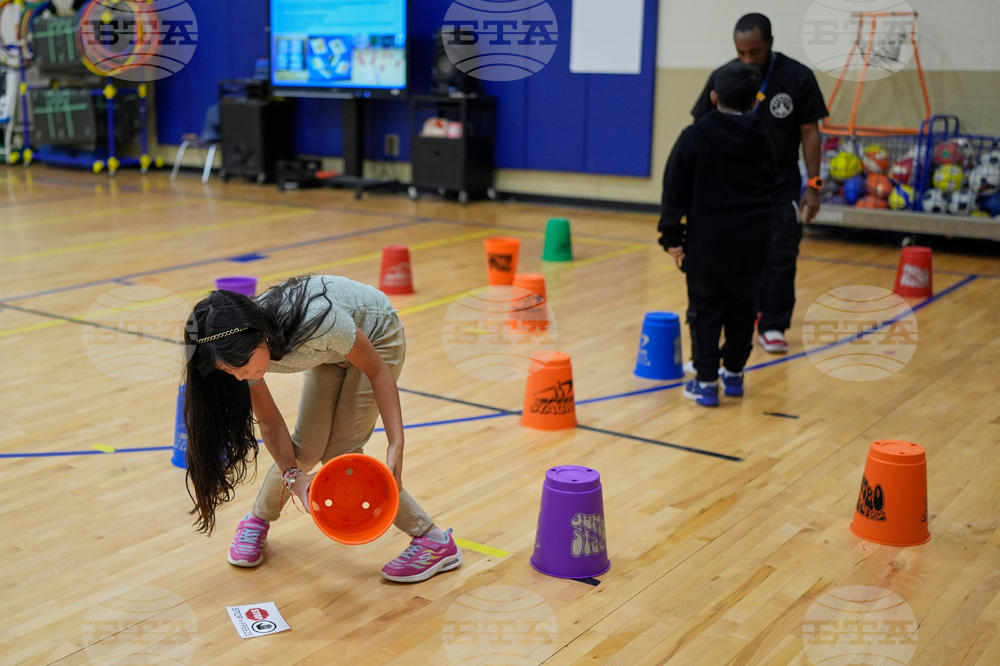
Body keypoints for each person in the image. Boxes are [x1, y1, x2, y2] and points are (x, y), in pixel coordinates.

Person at [182, 275, 461, 583]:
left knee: (341, 450)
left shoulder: (318, 321)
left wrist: (396, 443)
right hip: (331, 352)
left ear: (261, 337)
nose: (239, 376)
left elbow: (378, 371)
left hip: (376, 335)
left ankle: (433, 539)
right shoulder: (238, 353)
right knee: (305, 449)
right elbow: (270, 421)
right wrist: (293, 477)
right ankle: (258, 519)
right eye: (227, 369)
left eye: (242, 366)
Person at [692, 13, 829, 354]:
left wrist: (813, 186)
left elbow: (810, 133)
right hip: (732, 187)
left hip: (779, 183)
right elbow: (700, 130)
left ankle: (773, 324)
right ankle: (735, 318)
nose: (748, 60)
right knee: (729, 257)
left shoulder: (796, 77)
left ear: (769, 43)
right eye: (741, 52)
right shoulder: (723, 78)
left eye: (754, 52)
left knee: (781, 254)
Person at [659, 61, 777, 407]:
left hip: (707, 245)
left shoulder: (694, 136)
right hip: (752, 243)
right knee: (743, 310)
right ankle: (735, 375)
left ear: (713, 97)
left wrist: (672, 238)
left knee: (705, 311)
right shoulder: (764, 137)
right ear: (754, 101)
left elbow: (673, 191)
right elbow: (772, 184)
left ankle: (707, 381)